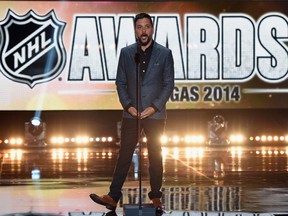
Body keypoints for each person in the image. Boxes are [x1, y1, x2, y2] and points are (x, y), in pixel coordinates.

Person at [89, 12, 175, 212]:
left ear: (152, 29)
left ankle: (155, 196)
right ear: (135, 30)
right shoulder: (127, 53)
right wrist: (129, 106)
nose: (143, 31)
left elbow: (168, 84)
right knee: (125, 155)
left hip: (155, 114)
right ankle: (113, 196)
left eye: (146, 26)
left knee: (156, 155)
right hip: (131, 113)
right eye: (139, 27)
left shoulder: (164, 53)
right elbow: (120, 82)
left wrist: (154, 106)